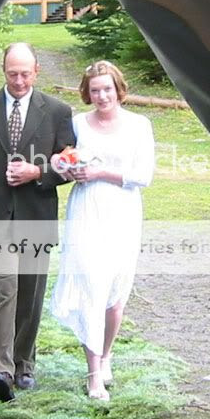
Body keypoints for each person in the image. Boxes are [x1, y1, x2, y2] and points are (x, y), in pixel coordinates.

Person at [0, 43, 75, 402]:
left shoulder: (57, 111)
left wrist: (37, 172)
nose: (19, 81)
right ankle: (0, 370)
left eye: (25, 74)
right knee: (5, 288)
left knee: (30, 294)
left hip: (37, 216)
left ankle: (24, 364)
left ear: (36, 71)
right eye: (13, 74)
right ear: (3, 71)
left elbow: (70, 163)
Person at [50, 60, 154, 401]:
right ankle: (93, 375)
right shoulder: (78, 123)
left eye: (107, 89)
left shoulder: (139, 125)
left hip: (122, 212)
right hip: (86, 210)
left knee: (115, 297)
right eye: (95, 90)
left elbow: (143, 176)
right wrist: (65, 167)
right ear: (87, 93)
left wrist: (100, 173)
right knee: (91, 289)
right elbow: (62, 158)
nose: (102, 96)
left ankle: (106, 354)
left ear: (118, 89)